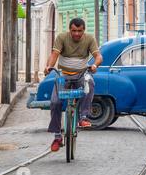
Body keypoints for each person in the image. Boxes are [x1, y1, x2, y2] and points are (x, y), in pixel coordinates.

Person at [44, 18, 103, 152]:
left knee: (90, 82)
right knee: (55, 102)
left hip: (81, 74)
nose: (77, 33)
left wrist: (94, 65)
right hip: (63, 75)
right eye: (74, 31)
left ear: (84, 30)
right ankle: (57, 136)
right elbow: (54, 54)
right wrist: (49, 67)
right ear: (70, 30)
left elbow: (98, 56)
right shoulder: (61, 38)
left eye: (79, 31)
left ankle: (83, 117)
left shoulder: (89, 39)